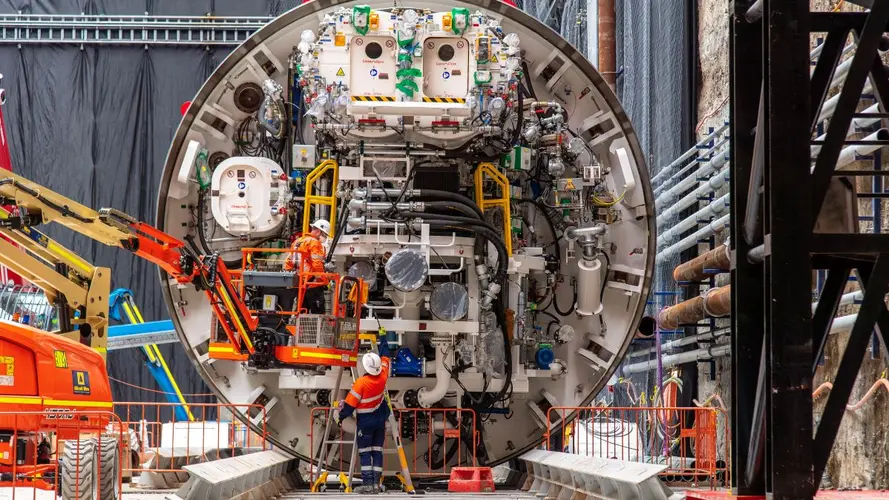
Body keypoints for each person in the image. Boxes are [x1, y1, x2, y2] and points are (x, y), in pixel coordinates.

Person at [337, 335, 391, 494]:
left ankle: (368, 484)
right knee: (377, 451)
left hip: (366, 424)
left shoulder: (361, 383)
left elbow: (349, 406)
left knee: (365, 452)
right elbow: (386, 356)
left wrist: (341, 417)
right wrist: (383, 338)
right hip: (380, 422)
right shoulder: (383, 376)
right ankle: (376, 484)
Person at [284, 219, 330, 313]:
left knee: (301, 311)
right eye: (324, 235)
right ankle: (317, 328)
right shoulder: (314, 243)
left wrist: (289, 278)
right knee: (318, 312)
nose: (324, 238)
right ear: (318, 231)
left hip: (299, 282)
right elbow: (316, 263)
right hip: (312, 283)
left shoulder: (298, 241)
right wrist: (322, 279)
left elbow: (289, 261)